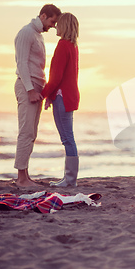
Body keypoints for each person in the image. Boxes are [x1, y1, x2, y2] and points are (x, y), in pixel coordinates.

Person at [14, 4, 61, 187]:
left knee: (31, 133)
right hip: (28, 87)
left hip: (36, 87)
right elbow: (22, 63)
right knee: (25, 132)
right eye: (52, 21)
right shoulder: (26, 32)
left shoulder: (38, 35)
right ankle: (21, 178)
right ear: (42, 16)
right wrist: (30, 90)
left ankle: (25, 175)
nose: (53, 26)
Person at [41, 13, 80, 187]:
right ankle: (70, 179)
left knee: (67, 138)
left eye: (58, 25)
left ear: (63, 27)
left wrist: (43, 94)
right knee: (68, 138)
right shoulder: (73, 46)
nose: (55, 27)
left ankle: (70, 180)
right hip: (68, 96)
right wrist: (50, 96)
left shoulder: (63, 45)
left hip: (63, 97)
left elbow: (56, 77)